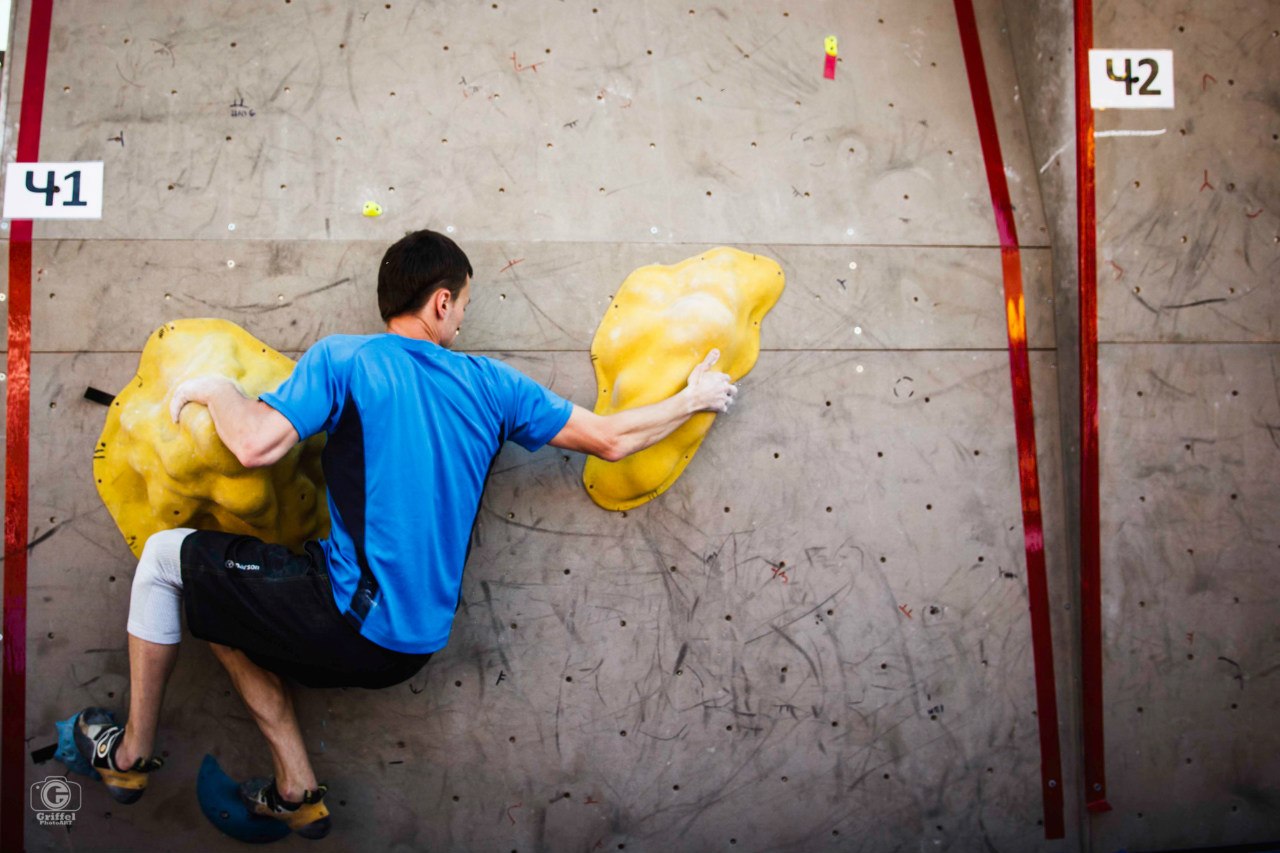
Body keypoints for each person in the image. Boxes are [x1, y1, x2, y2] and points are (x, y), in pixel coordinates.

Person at [74, 229, 738, 838]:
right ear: (442, 303)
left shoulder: (346, 358)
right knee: (215, 594)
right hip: (415, 645)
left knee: (165, 557)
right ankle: (296, 786)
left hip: (344, 619)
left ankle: (128, 755)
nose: (464, 316)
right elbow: (611, 439)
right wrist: (694, 397)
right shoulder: (493, 384)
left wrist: (215, 388)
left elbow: (253, 446)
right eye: (466, 302)